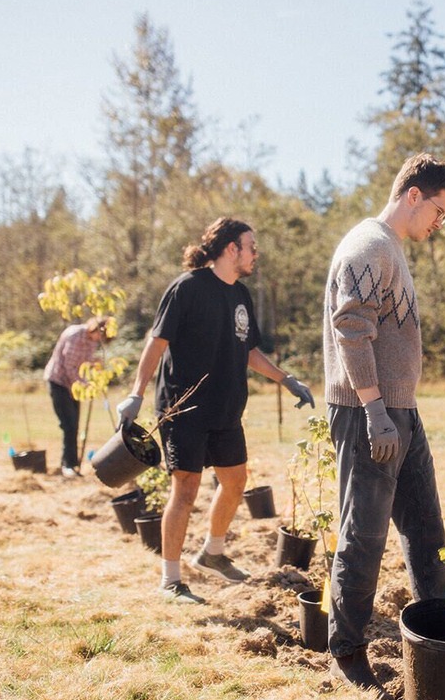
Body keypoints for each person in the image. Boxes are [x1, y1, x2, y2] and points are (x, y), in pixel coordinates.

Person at [322, 153, 445, 700]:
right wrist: (375, 411)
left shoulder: (393, 251)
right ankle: (349, 652)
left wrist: (395, 409)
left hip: (399, 411)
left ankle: (439, 635)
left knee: (427, 533)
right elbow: (351, 327)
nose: (438, 223)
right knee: (363, 534)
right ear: (413, 195)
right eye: (439, 211)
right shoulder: (368, 244)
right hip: (370, 415)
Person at [116, 217, 315, 605]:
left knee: (236, 482)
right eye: (251, 246)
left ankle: (213, 552)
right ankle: (171, 579)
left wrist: (285, 378)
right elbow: (156, 344)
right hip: (184, 406)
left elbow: (249, 350)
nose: (256, 254)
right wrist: (136, 394)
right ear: (230, 249)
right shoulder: (187, 288)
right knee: (186, 488)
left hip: (226, 409)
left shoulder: (240, 294)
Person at [44, 315, 112, 477]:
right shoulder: (75, 336)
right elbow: (70, 367)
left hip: (74, 386)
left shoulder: (92, 341)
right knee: (69, 425)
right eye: (101, 336)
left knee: (74, 424)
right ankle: (68, 465)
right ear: (96, 329)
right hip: (59, 382)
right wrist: (86, 385)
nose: (100, 340)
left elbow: (83, 363)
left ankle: (71, 464)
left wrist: (95, 365)